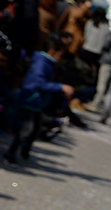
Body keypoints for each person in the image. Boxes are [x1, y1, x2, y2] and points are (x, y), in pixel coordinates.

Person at [4, 33, 74, 163]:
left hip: (37, 101)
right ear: (53, 51)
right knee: (26, 128)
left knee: (35, 128)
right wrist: (60, 87)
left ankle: (25, 150)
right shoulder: (41, 64)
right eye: (60, 54)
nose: (61, 58)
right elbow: (39, 83)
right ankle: (11, 153)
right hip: (31, 99)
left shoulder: (47, 63)